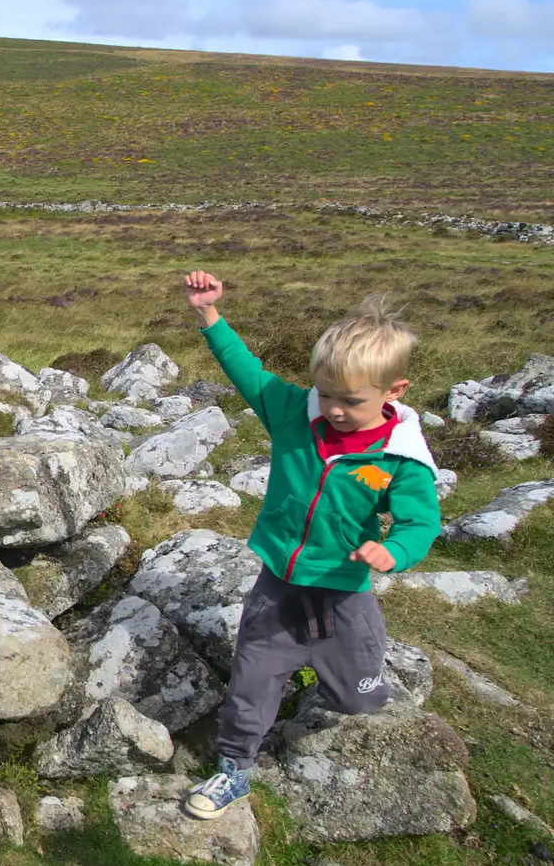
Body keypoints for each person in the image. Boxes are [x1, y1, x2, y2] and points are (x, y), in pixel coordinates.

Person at [179, 271, 441, 821]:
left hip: (344, 594)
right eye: (325, 394)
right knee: (252, 677)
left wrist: (395, 551)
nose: (334, 409)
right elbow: (248, 373)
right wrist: (209, 316)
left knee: (358, 700)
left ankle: (336, 679)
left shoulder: (401, 458)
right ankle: (234, 770)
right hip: (279, 585)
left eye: (351, 400)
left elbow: (421, 522)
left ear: (395, 392)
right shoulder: (297, 415)